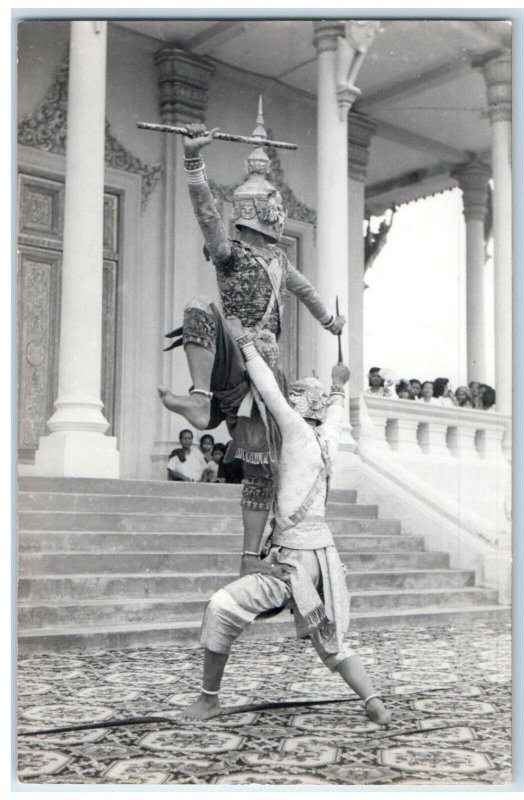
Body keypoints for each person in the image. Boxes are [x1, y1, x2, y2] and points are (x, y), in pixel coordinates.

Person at [177, 318, 391, 727]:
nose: (289, 401)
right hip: (321, 560)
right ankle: (373, 701)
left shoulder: (293, 431)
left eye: (297, 398)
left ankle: (209, 700)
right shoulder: (326, 440)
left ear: (301, 408)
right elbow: (332, 412)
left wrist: (242, 338)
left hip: (295, 558)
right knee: (330, 641)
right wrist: (337, 383)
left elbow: (269, 389)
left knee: (221, 607)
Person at [158, 104, 345, 566]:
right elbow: (205, 216)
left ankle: (248, 556)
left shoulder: (281, 262)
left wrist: (330, 322)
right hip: (233, 357)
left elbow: (308, 293)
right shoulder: (230, 255)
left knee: (262, 470)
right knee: (199, 308)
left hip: (265, 373)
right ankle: (201, 397)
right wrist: (193, 162)